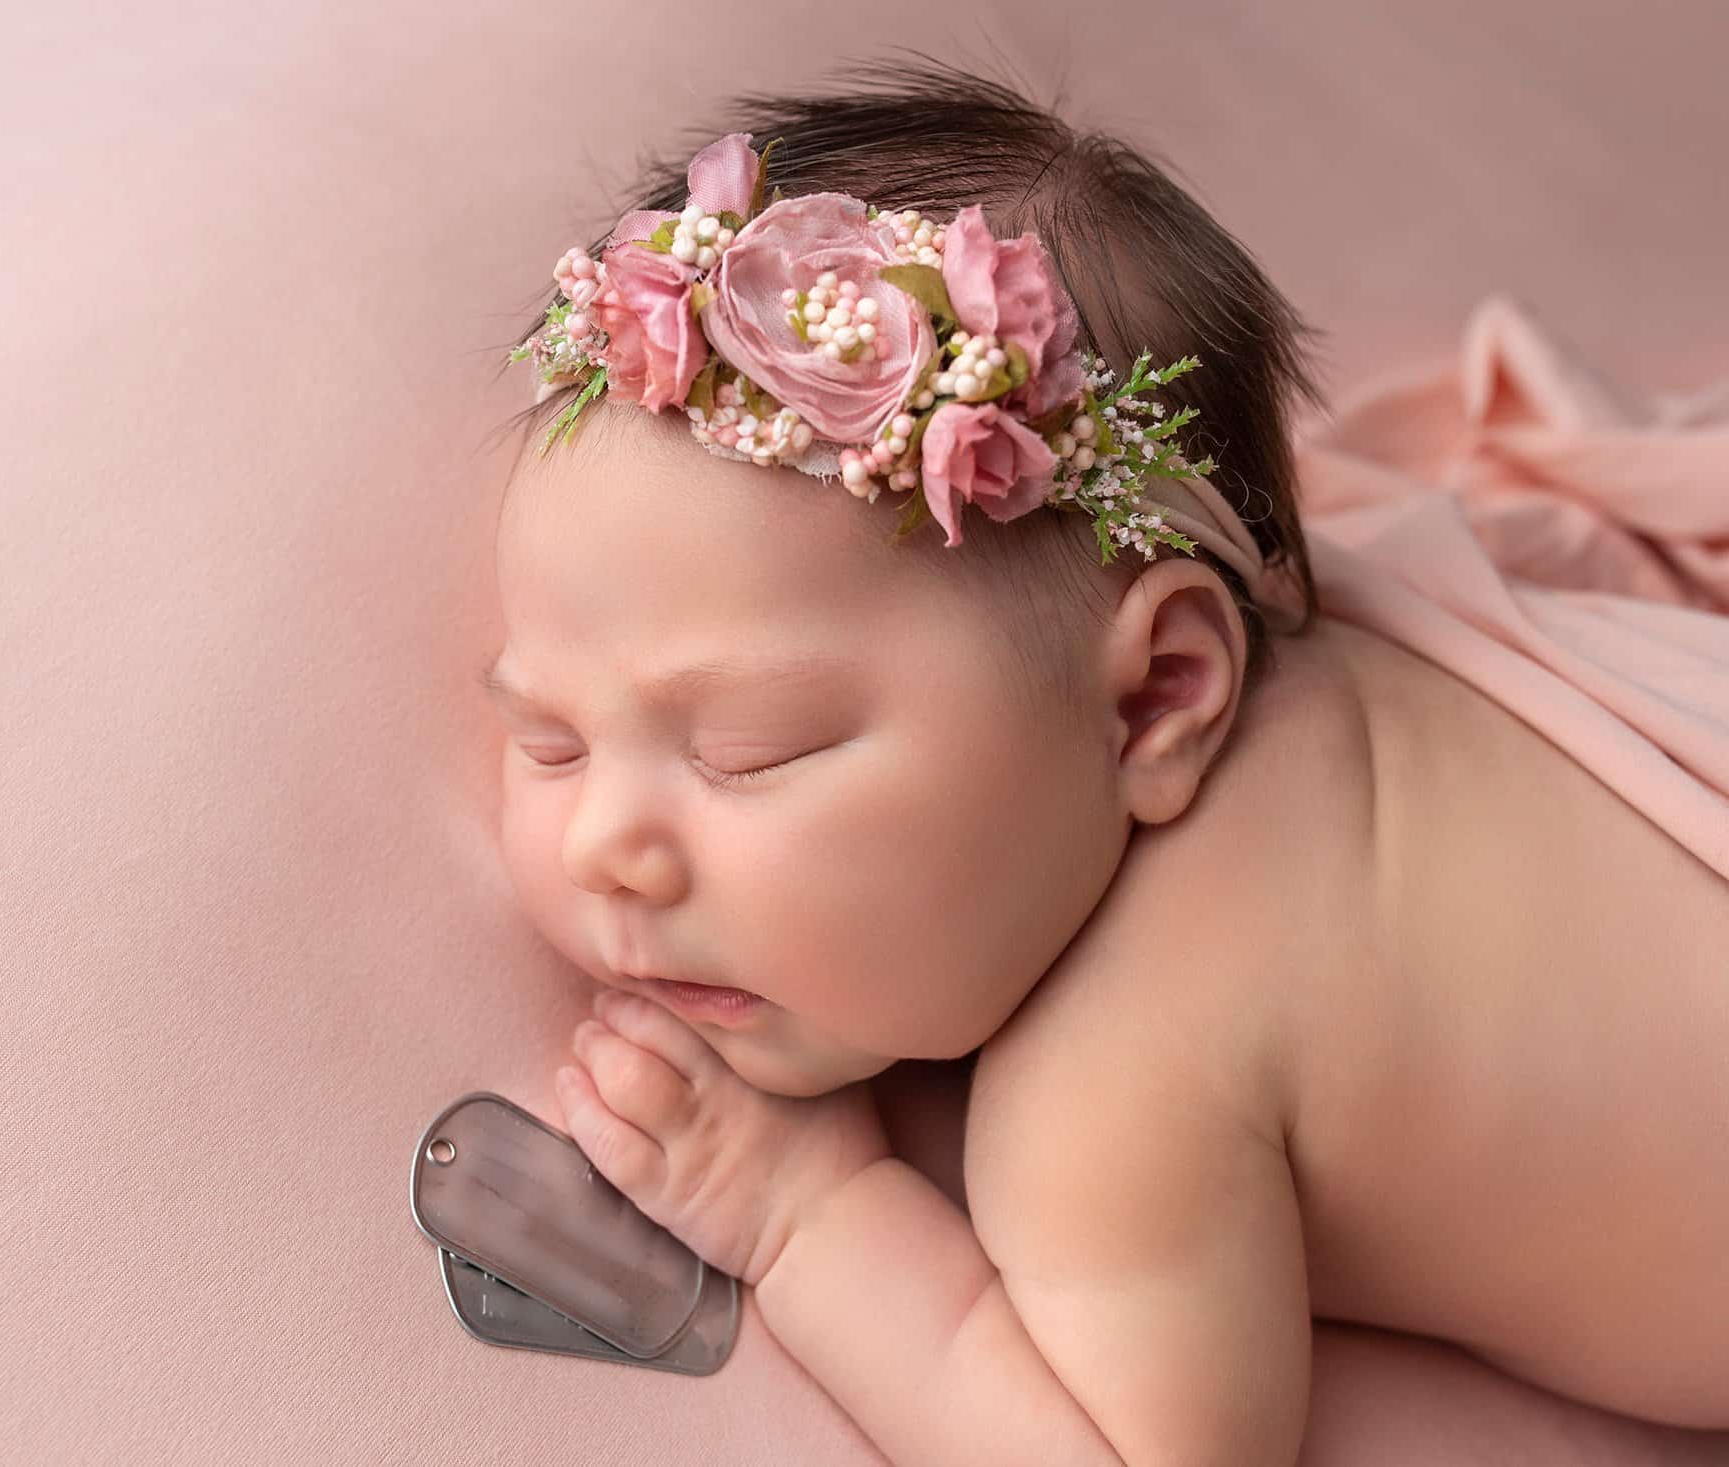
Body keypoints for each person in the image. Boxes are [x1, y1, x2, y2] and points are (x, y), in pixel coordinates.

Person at [475, 56, 1729, 1466]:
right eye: (551, 738)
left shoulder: (1120, 1080)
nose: (604, 849)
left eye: (752, 754)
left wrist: (809, 1219)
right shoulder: (1330, 632)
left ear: (1156, 700)